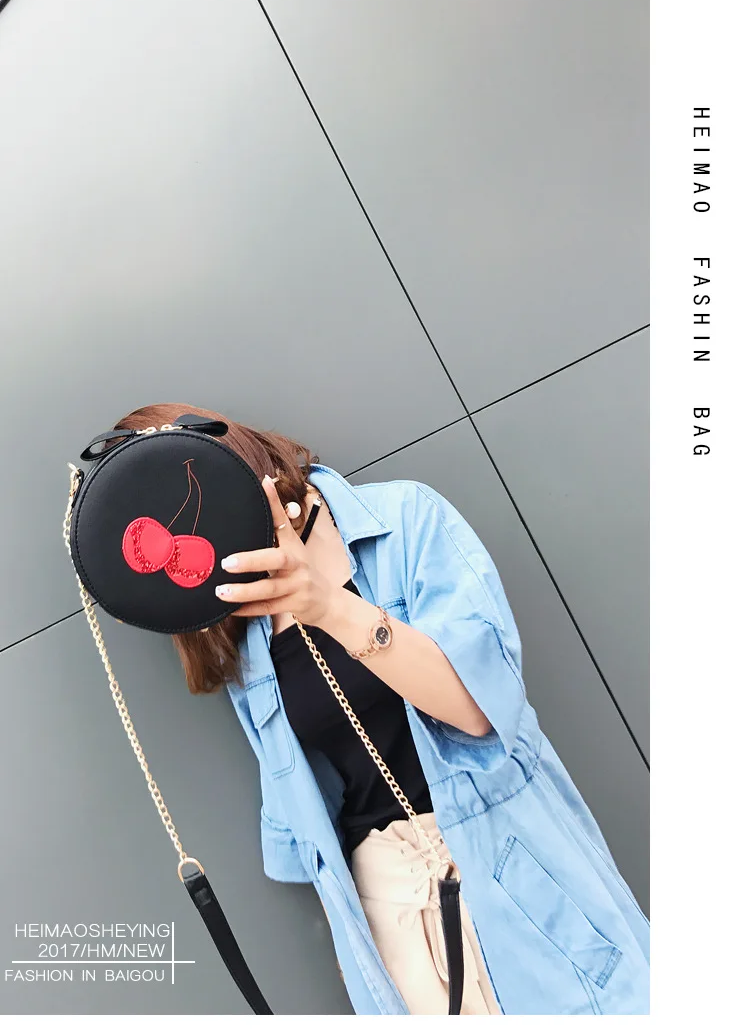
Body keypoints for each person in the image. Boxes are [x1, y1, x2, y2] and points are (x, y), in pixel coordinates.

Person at [110, 403, 650, 1015]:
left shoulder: (404, 519)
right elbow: (299, 811)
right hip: (386, 909)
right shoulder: (237, 620)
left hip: (509, 864)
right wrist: (354, 941)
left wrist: (328, 607)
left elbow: (481, 710)